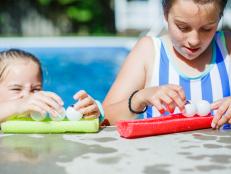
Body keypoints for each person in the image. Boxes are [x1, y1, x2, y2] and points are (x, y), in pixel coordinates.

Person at [103, 0, 230, 129]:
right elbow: (105, 119)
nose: (194, 40)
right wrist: (139, 98)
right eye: (183, 27)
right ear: (165, 13)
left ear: (220, 17)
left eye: (206, 29)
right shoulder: (149, 52)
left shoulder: (228, 48)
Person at [0, 49, 100, 123]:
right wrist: (17, 105)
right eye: (16, 88)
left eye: (36, 89)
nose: (28, 96)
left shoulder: (42, 117)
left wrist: (89, 112)